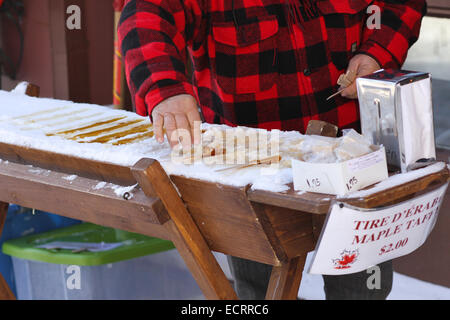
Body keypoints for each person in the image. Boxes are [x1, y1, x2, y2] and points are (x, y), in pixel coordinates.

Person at [118, 0, 426, 300]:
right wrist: (165, 90)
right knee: (260, 292)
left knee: (362, 290)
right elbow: (145, 16)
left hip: (352, 159)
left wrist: (376, 52)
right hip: (253, 172)